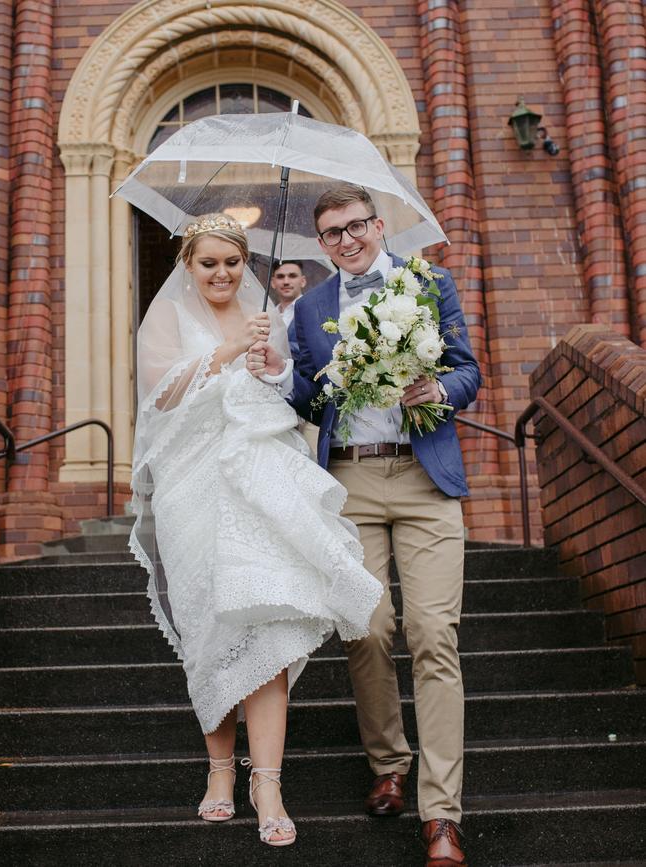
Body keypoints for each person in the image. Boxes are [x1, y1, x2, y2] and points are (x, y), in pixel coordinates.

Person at [129, 213, 382, 849]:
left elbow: (286, 395)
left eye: (232, 262)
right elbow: (158, 396)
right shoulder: (165, 318)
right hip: (193, 485)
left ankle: (266, 781)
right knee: (212, 625)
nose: (222, 273)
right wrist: (224, 349)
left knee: (268, 625)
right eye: (208, 262)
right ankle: (219, 771)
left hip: (258, 482)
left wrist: (269, 361)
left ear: (247, 264)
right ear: (189, 264)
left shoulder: (267, 315)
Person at [287, 184, 481, 866]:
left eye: (357, 225)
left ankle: (442, 813)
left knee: (432, 632)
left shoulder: (429, 282)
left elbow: (468, 371)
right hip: (351, 479)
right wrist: (284, 373)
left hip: (426, 477)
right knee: (367, 627)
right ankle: (388, 762)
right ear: (322, 243)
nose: (347, 239)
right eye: (333, 232)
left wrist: (440, 389)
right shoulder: (309, 308)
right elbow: (307, 393)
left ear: (378, 225)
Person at [271, 259, 306, 359]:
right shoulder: (269, 313)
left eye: (292, 276)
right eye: (280, 277)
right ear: (273, 282)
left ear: (302, 281)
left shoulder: (313, 311)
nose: (286, 282)